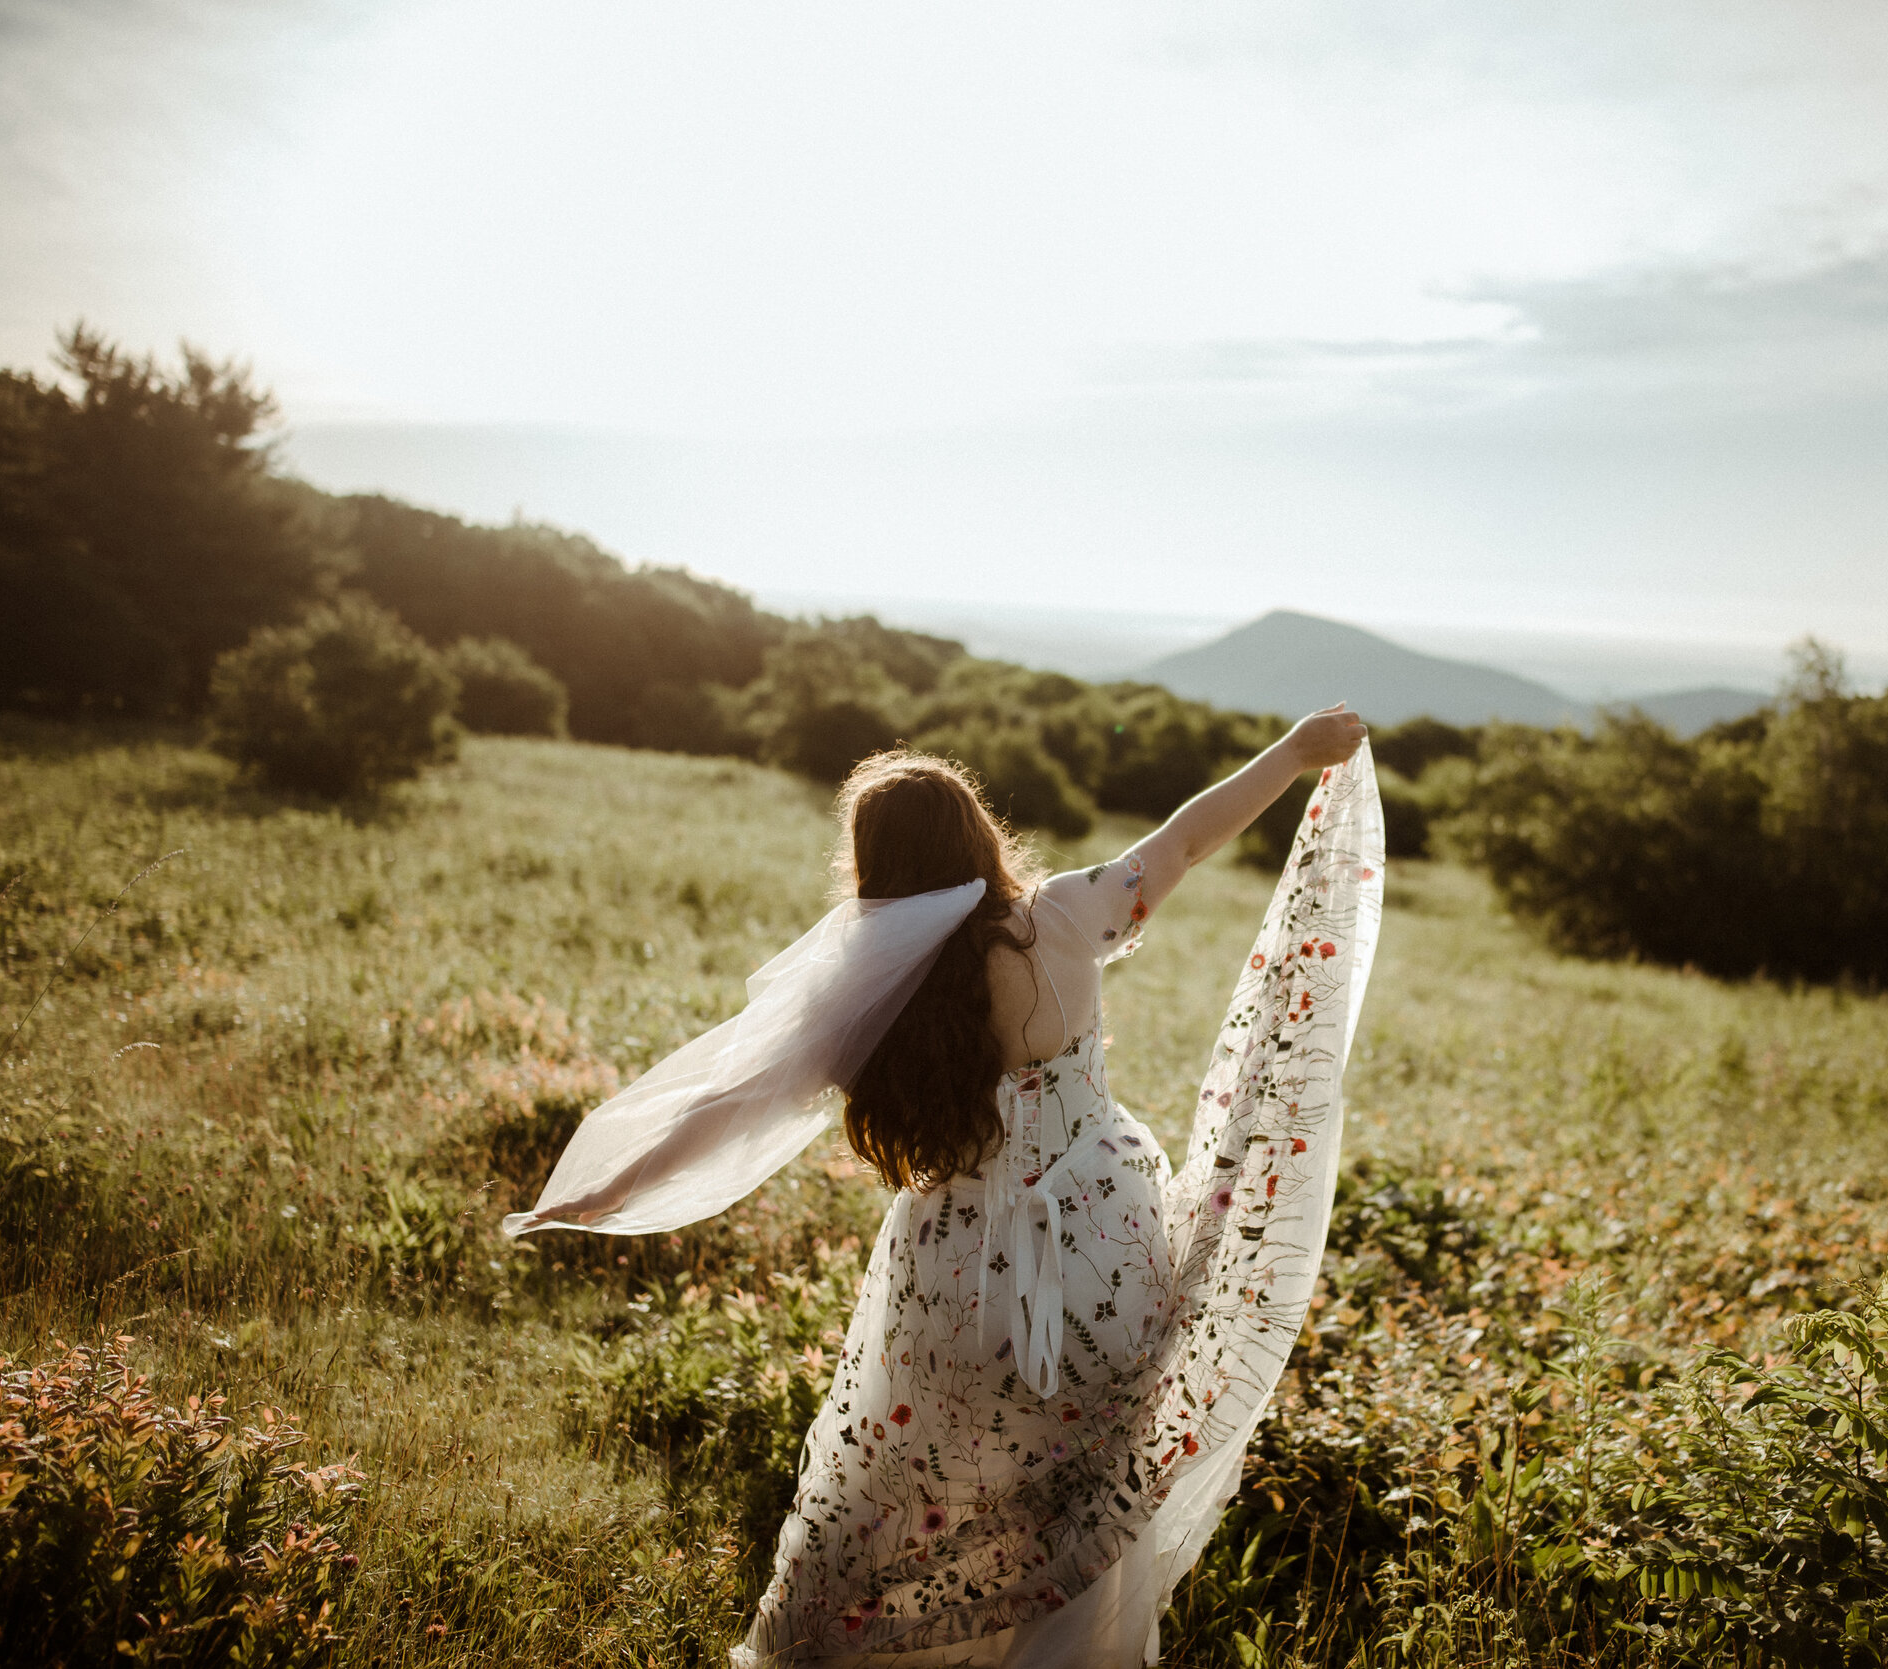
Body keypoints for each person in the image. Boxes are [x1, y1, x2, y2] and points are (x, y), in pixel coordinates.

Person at [509, 706, 1382, 1667]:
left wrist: (597, 1195)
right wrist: (1296, 753)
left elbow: (730, 1103)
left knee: (905, 1487)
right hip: (1104, 1255)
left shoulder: (870, 991)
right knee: (1090, 1485)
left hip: (956, 1273)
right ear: (978, 835)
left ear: (873, 869)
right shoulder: (1061, 918)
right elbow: (1184, 839)